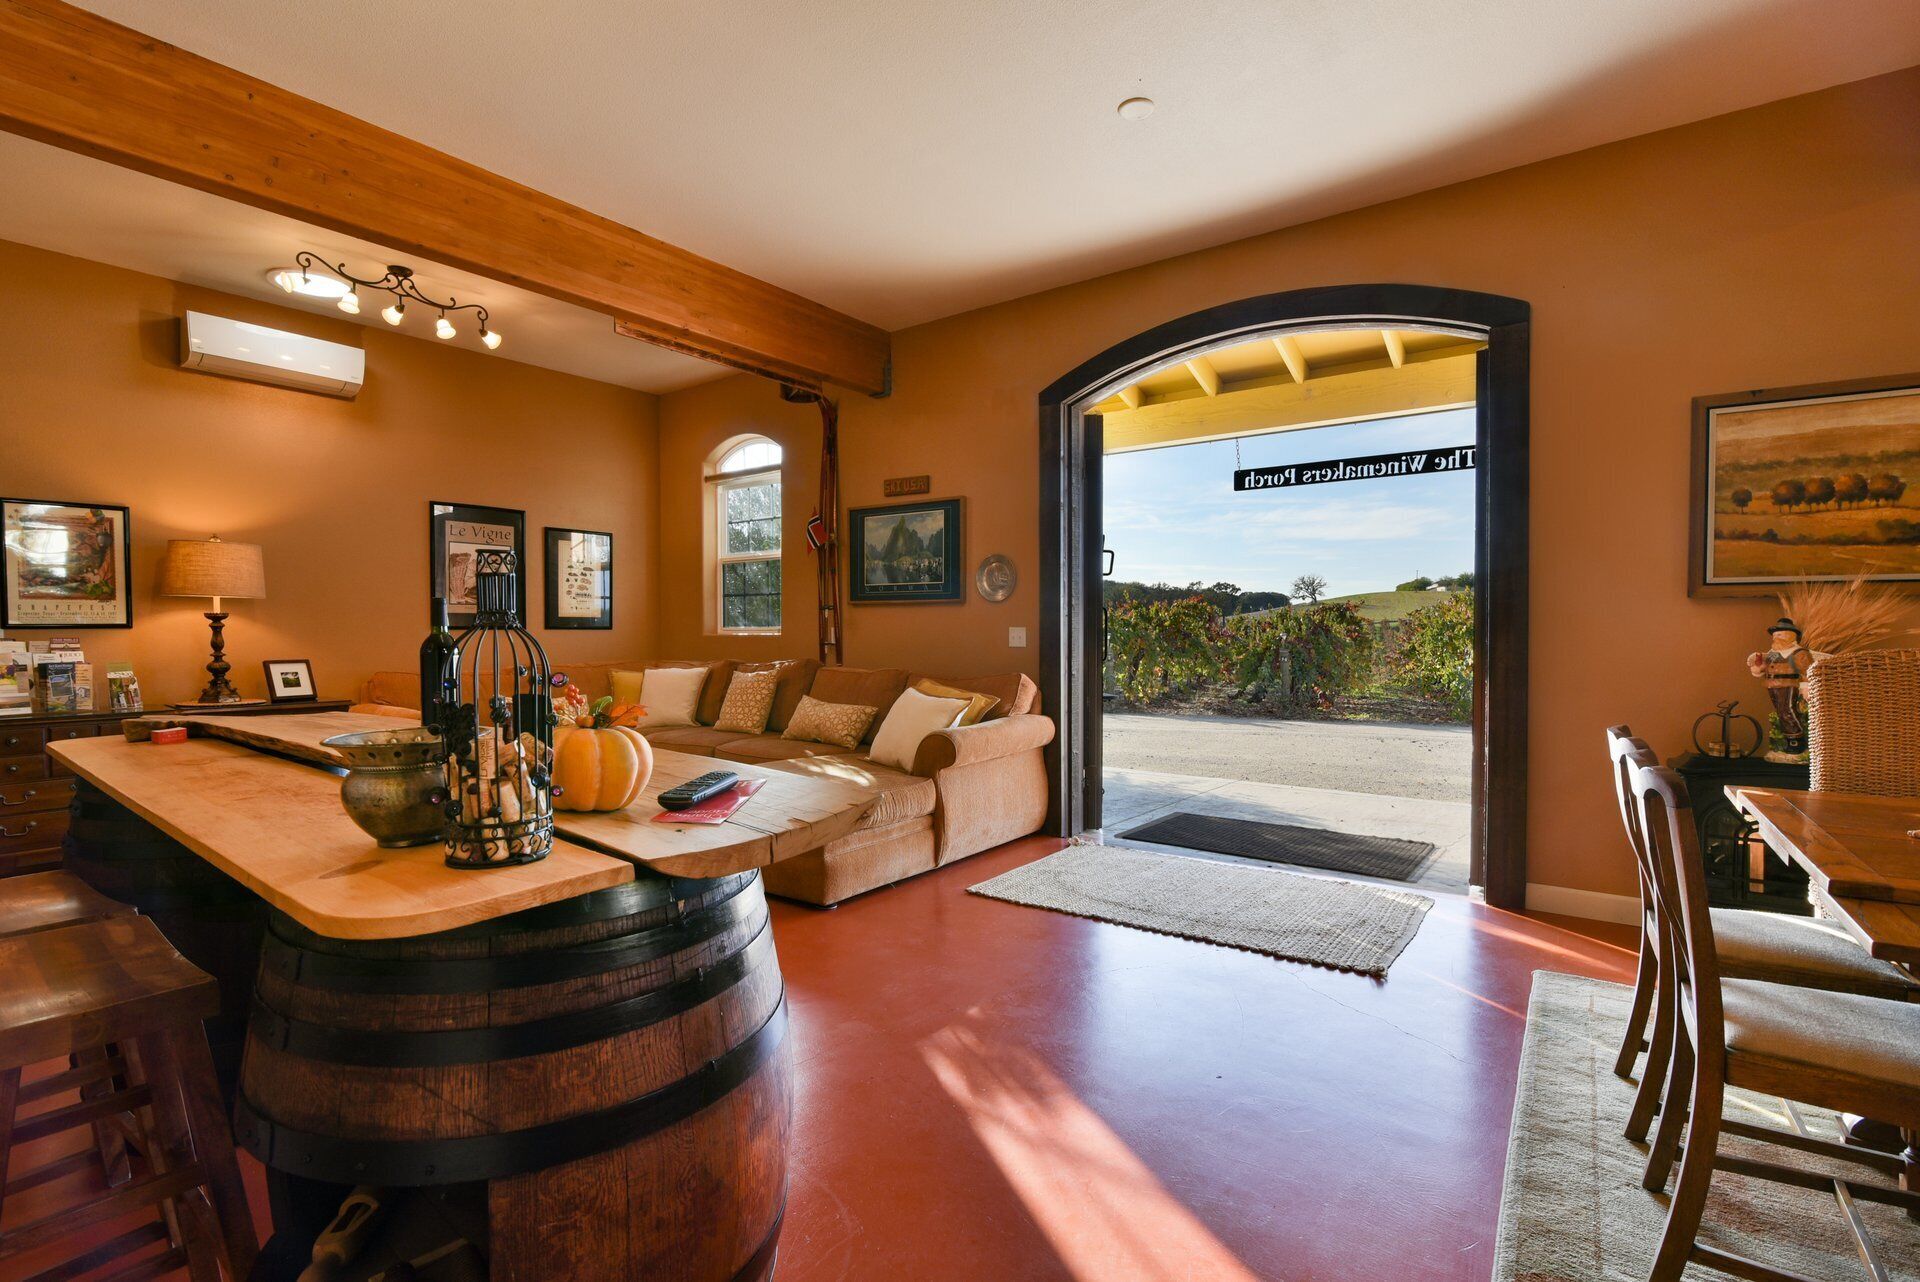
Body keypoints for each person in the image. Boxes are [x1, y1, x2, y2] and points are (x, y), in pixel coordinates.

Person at [1746, 617, 1813, 760]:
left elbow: (1807, 671)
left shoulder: (1798, 653)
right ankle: (1789, 741)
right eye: (1775, 635)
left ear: (1791, 635)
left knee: (1787, 710)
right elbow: (1763, 669)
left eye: (1780, 634)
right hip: (1772, 685)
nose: (1776, 637)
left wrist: (1805, 687)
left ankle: (1797, 741)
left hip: (1789, 685)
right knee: (1781, 712)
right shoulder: (1773, 654)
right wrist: (1758, 667)